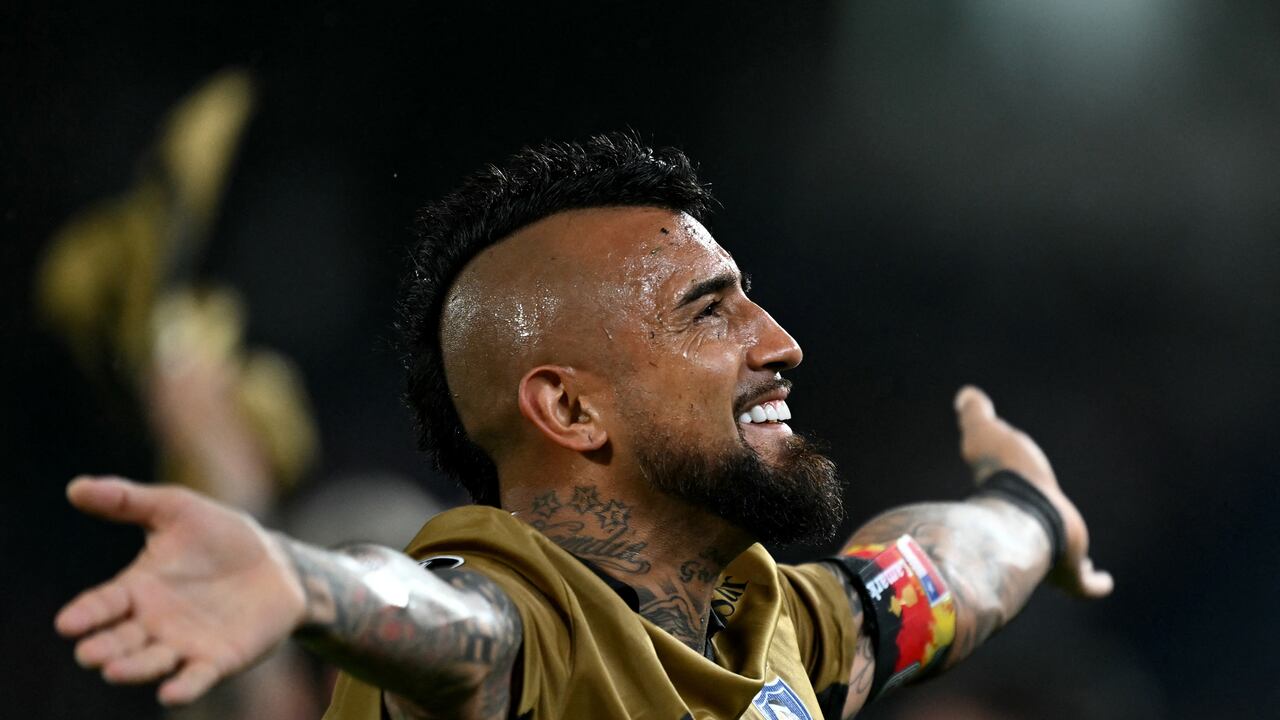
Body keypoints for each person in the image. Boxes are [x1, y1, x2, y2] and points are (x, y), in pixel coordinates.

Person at [55, 133, 1113, 720]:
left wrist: (1027, 510)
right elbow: (447, 626)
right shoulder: (534, 623)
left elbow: (941, 575)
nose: (781, 342)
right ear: (568, 408)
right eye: (708, 313)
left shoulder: (776, 632)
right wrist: (303, 584)